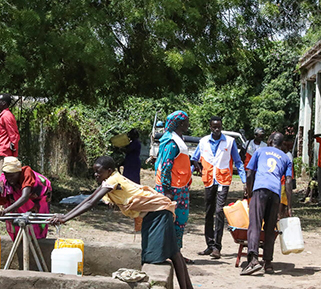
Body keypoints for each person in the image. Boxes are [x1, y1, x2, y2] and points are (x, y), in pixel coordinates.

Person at [48, 156, 193, 289]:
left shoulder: (113, 180)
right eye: (94, 172)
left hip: (157, 213)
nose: (96, 175)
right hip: (157, 212)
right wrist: (64, 216)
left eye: (98, 172)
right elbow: (89, 199)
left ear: (109, 171)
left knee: (153, 257)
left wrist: (65, 218)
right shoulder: (110, 181)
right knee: (174, 253)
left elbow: (91, 202)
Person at [191, 116, 246, 259]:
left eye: (219, 127)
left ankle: (217, 246)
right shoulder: (203, 142)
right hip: (209, 180)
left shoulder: (229, 141)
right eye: (214, 127)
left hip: (223, 180)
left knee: (219, 211)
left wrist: (244, 181)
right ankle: (209, 244)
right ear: (210, 127)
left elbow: (238, 162)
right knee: (209, 212)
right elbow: (194, 159)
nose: (217, 129)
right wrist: (187, 177)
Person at [241, 132, 293, 275]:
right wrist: (289, 205)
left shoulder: (260, 151)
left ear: (269, 141)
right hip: (275, 193)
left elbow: (250, 173)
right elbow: (288, 182)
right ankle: (268, 262)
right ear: (282, 144)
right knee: (270, 228)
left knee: (255, 225)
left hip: (260, 189)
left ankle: (253, 261)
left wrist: (249, 191)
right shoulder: (286, 158)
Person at [154, 111, 192, 262]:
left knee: (179, 221)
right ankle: (167, 254)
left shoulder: (177, 139)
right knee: (170, 221)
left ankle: (176, 254)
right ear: (181, 124)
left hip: (179, 187)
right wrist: (167, 190)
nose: (188, 124)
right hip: (172, 189)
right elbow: (166, 166)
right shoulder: (172, 142)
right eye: (187, 122)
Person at [0, 156, 52, 241]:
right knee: (14, 218)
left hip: (40, 196)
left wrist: (5, 211)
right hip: (19, 197)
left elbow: (24, 197)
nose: (9, 179)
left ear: (19, 172)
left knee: (36, 219)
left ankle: (37, 241)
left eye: (12, 176)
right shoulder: (4, 182)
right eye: (7, 175)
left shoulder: (26, 174)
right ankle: (19, 240)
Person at [0, 93, 20, 178]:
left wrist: (13, 152)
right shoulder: (4, 116)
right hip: (4, 152)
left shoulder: (6, 116)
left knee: (2, 182)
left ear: (4, 103)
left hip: (5, 154)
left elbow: (13, 135)